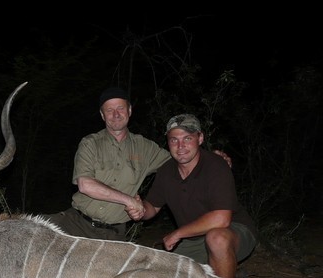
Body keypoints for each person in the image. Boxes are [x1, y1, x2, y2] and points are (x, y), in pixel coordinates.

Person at [43, 87, 230, 242]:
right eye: (109, 110)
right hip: (75, 222)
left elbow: (181, 157)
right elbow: (85, 185)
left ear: (129, 111)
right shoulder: (89, 143)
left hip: (113, 234)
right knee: (28, 232)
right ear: (102, 115)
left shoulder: (145, 147)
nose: (116, 114)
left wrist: (211, 156)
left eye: (121, 108)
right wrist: (129, 200)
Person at [127, 114, 257, 278]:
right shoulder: (166, 171)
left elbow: (221, 219)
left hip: (234, 231)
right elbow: (153, 206)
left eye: (187, 138)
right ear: (168, 142)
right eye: (174, 140)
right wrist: (140, 210)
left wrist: (178, 234)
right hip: (193, 238)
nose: (180, 146)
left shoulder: (216, 165)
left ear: (200, 138)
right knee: (161, 274)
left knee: (216, 238)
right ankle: (232, 275)